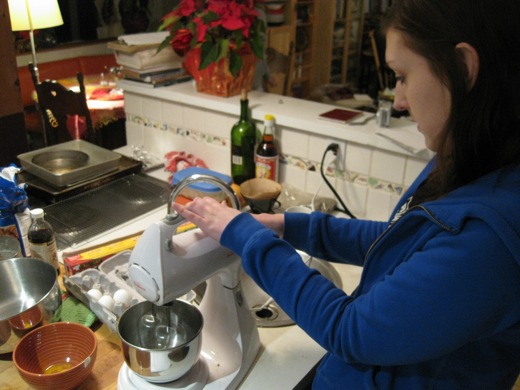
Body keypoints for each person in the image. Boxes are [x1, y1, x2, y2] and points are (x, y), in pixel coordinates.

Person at [173, 0, 520, 388]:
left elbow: (350, 330)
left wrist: (246, 236)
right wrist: (287, 226)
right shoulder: (467, 161)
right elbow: (401, 242)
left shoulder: (492, 238)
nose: (400, 100)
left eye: (403, 76)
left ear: (463, 67)